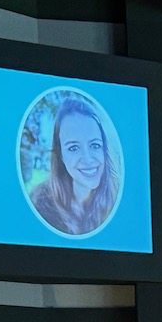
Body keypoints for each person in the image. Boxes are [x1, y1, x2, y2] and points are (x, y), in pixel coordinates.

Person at [28, 96, 121, 236]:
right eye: (73, 148)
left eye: (95, 145)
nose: (88, 159)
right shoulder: (39, 205)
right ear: (60, 155)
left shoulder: (119, 200)